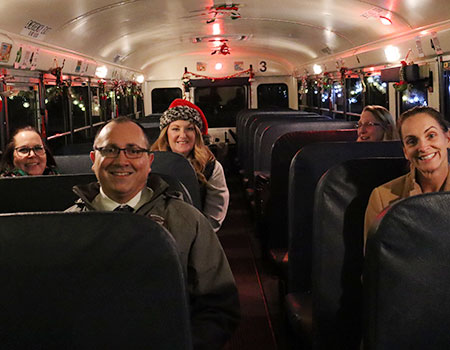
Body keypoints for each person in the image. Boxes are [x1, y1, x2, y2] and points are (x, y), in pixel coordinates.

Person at [66, 117, 240, 349]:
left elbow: (219, 305)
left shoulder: (188, 221)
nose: (121, 160)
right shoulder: (64, 226)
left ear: (149, 161)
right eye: (109, 150)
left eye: (134, 151)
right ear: (93, 160)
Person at [364, 106, 450, 249]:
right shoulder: (382, 198)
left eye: (431, 136)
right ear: (405, 152)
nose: (422, 147)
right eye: (412, 141)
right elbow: (375, 263)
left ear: (447, 139)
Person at [151, 99, 229, 232]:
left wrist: (197, 237)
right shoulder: (150, 162)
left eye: (189, 129)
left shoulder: (211, 167)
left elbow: (214, 214)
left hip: (197, 232)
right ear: (166, 133)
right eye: (175, 129)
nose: (183, 135)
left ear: (197, 134)